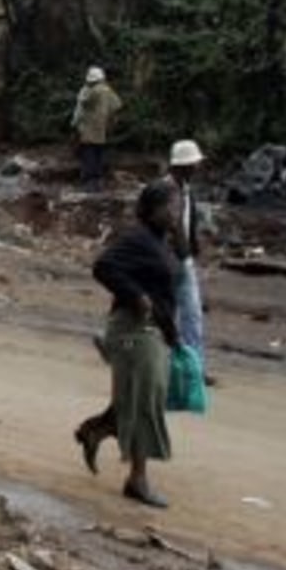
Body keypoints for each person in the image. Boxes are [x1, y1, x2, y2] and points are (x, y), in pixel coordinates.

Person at [73, 179, 181, 508]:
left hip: (152, 330)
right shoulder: (137, 238)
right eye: (170, 207)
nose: (175, 212)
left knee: (141, 398)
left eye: (178, 206)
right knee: (144, 403)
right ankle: (137, 479)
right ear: (151, 210)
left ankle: (95, 431)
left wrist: (173, 336)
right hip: (132, 330)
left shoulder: (163, 241)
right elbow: (103, 266)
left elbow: (168, 287)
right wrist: (136, 296)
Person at [166, 138, 216, 384]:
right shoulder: (165, 190)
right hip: (166, 262)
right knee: (165, 316)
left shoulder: (185, 189)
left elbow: (188, 223)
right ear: (182, 165)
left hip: (181, 261)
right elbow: (172, 227)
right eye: (194, 163)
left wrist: (191, 252)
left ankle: (193, 368)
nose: (197, 168)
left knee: (192, 317)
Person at [72, 66, 123, 192]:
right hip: (102, 130)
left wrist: (74, 125)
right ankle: (98, 182)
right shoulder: (108, 91)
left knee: (88, 156)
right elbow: (117, 105)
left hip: (87, 130)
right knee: (99, 155)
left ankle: (89, 183)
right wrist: (112, 122)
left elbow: (81, 108)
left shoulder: (88, 91)